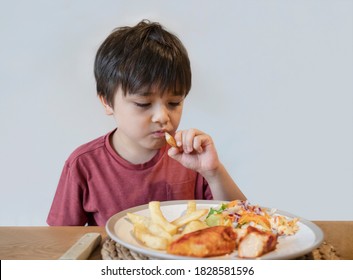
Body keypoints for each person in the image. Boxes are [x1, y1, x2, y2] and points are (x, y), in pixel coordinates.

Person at [47, 20, 246, 226]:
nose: (162, 116)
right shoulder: (83, 164)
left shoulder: (190, 159)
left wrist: (213, 172)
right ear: (107, 102)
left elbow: (243, 222)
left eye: (174, 102)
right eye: (143, 103)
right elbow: (61, 241)